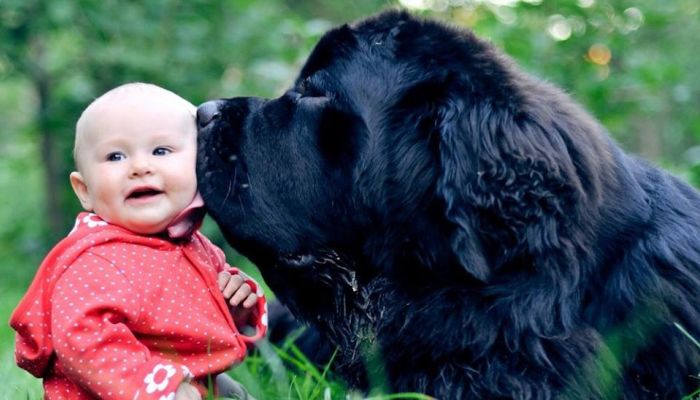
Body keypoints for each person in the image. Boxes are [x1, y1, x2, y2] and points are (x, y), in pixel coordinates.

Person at [9, 83, 268, 400]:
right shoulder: (94, 260)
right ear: (85, 190)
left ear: (201, 166)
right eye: (115, 156)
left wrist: (235, 308)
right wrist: (155, 386)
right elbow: (81, 339)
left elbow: (201, 326)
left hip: (187, 379)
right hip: (110, 392)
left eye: (161, 151)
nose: (140, 167)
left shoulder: (196, 247)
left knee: (232, 392)